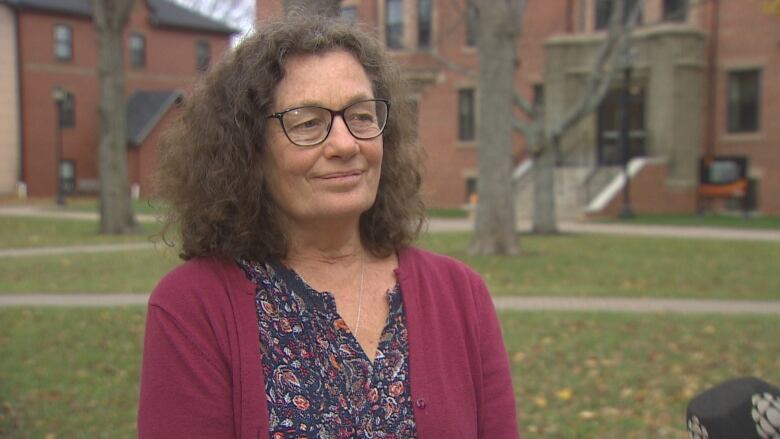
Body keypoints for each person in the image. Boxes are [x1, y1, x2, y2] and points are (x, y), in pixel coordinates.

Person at [138, 14, 519, 439]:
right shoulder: (194, 308)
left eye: (361, 116)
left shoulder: (460, 295)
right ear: (249, 149)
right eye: (308, 123)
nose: (345, 144)